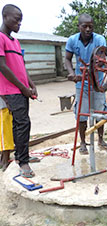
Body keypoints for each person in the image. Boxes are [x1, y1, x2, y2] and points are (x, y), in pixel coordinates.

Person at [0, 4, 38, 177]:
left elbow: (21, 65)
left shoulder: (15, 41)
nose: (19, 23)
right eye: (17, 19)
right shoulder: (0, 38)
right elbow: (2, 66)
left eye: (21, 20)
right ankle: (23, 162)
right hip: (11, 90)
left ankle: (22, 156)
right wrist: (23, 88)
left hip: (21, 89)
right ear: (5, 16)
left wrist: (31, 84)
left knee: (21, 124)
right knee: (22, 124)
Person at [65, 13, 107, 155]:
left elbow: (103, 57)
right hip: (81, 83)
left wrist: (98, 62)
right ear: (79, 26)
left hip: (98, 83)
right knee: (81, 114)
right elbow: (67, 59)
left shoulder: (99, 39)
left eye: (91, 26)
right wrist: (72, 73)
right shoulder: (72, 40)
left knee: (100, 113)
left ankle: (101, 140)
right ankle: (83, 142)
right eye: (85, 26)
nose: (88, 29)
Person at [0, 96, 14, 171]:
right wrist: (7, 101)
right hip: (3, 107)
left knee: (5, 133)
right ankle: (5, 160)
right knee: (5, 134)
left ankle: (4, 158)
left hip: (4, 106)